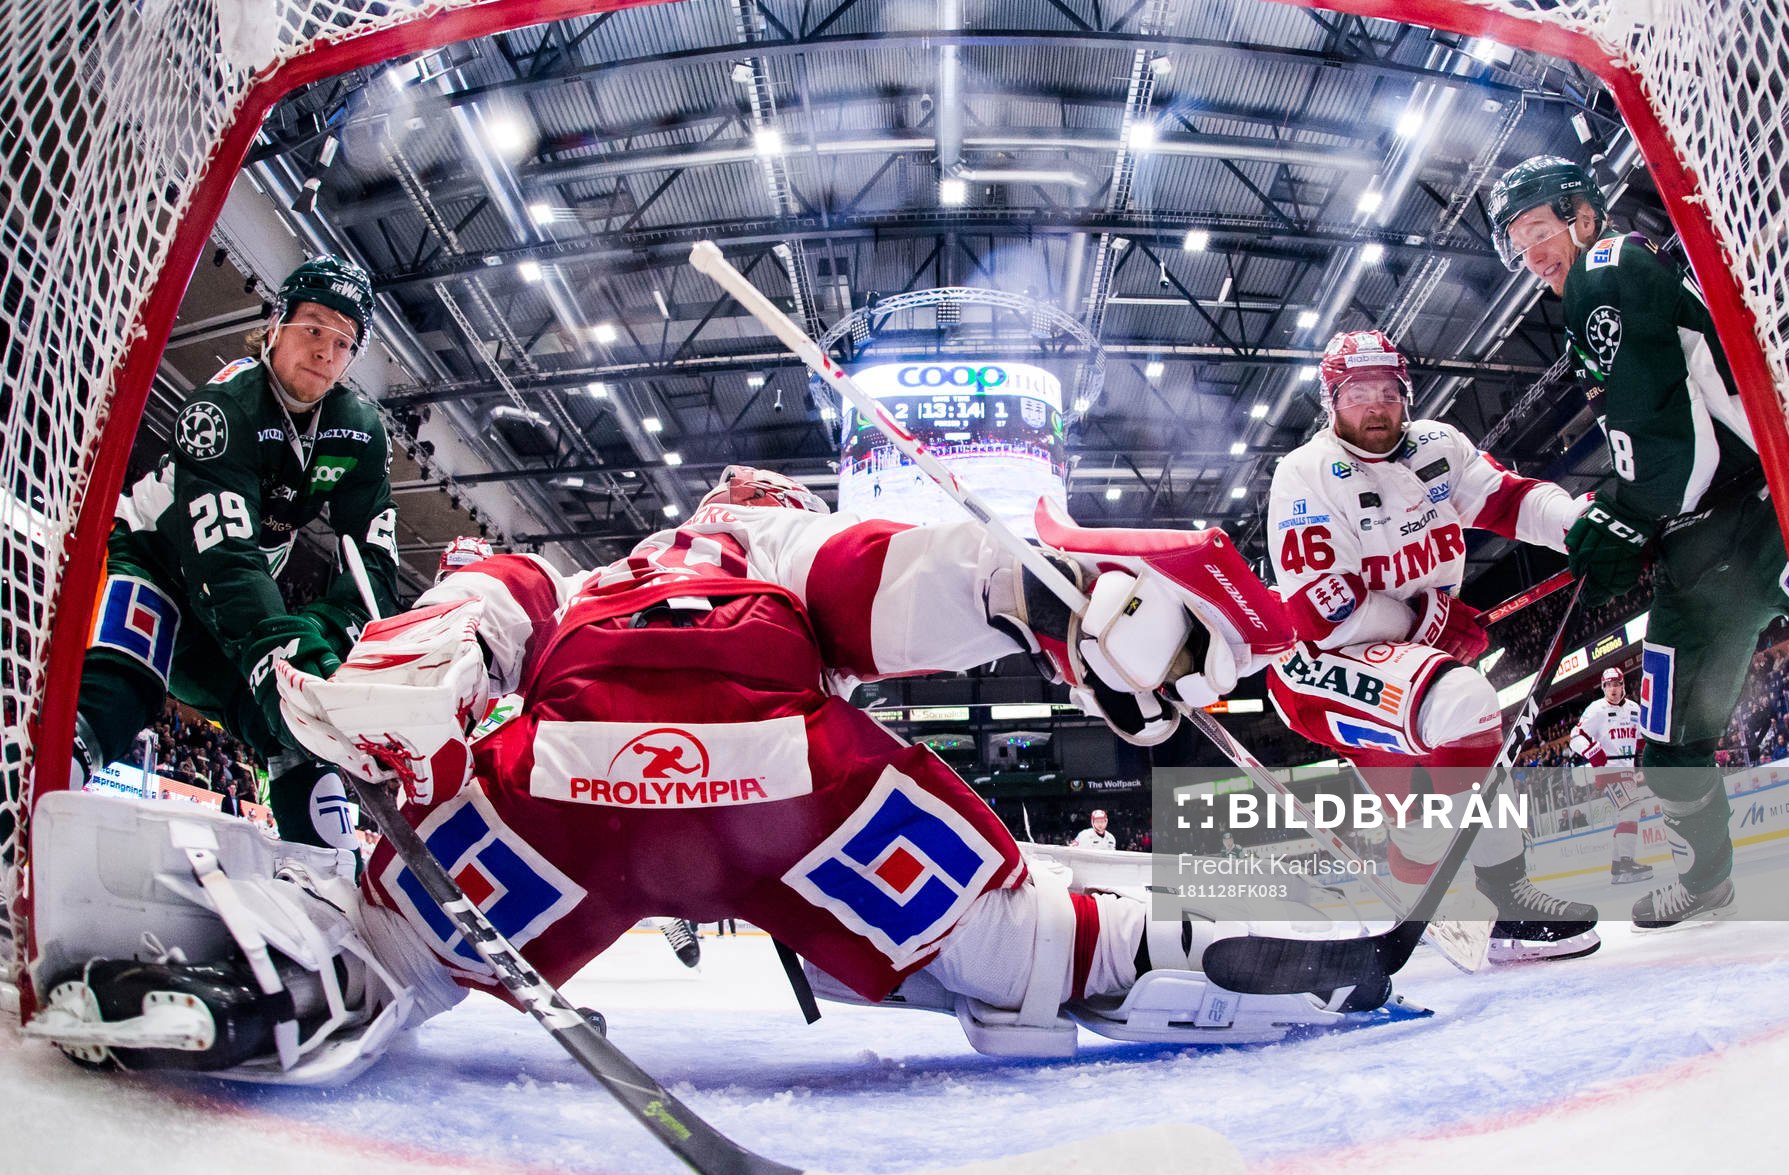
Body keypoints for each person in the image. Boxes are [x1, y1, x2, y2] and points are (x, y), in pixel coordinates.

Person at [31, 466, 1377, 1082]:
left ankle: (268, 986)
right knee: (1032, 946)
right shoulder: (776, 546)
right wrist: (1045, 597)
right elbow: (890, 589)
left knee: (388, 940)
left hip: (556, 792)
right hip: (796, 787)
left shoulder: (597, 573)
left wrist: (428, 654)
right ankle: (1187, 956)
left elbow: (498, 592)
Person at [1489, 155, 1789, 927]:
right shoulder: (1622, 267)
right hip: (1768, 517)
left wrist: (1620, 517)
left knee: (1671, 744)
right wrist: (1623, 511)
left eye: (1537, 230)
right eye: (1515, 244)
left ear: (1581, 213)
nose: (1531, 255)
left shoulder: (1600, 276)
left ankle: (1705, 882)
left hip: (1719, 542)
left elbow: (1669, 453)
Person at [1264, 329, 1599, 961]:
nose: (1376, 407)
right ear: (1331, 403)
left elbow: (1509, 500)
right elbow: (1321, 612)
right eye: (1358, 393)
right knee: (1467, 704)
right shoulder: (1305, 474)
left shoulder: (1438, 447)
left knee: (1417, 824)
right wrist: (1432, 621)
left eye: (1389, 392)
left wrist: (1579, 526)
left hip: (1404, 655)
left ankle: (1420, 897)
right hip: (1312, 664)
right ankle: (1508, 903)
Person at [71, 255, 401, 850]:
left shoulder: (360, 431)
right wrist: (286, 648)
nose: (326, 350)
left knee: (297, 735)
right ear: (276, 324)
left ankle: (326, 873)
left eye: (345, 341)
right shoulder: (223, 407)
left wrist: (328, 629)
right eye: (314, 327)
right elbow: (223, 559)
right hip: (151, 556)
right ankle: (17, 821)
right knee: (123, 688)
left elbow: (371, 562)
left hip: (237, 586)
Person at [1568, 666, 1654, 884]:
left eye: (1617, 684)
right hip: (1608, 770)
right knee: (1630, 809)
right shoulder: (1597, 709)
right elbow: (1575, 736)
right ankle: (1626, 862)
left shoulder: (1634, 708)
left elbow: (1640, 739)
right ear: (1603, 687)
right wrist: (1591, 752)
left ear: (1623, 685)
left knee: (1627, 812)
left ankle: (1618, 867)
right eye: (1608, 685)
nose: (1613, 689)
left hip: (1627, 768)